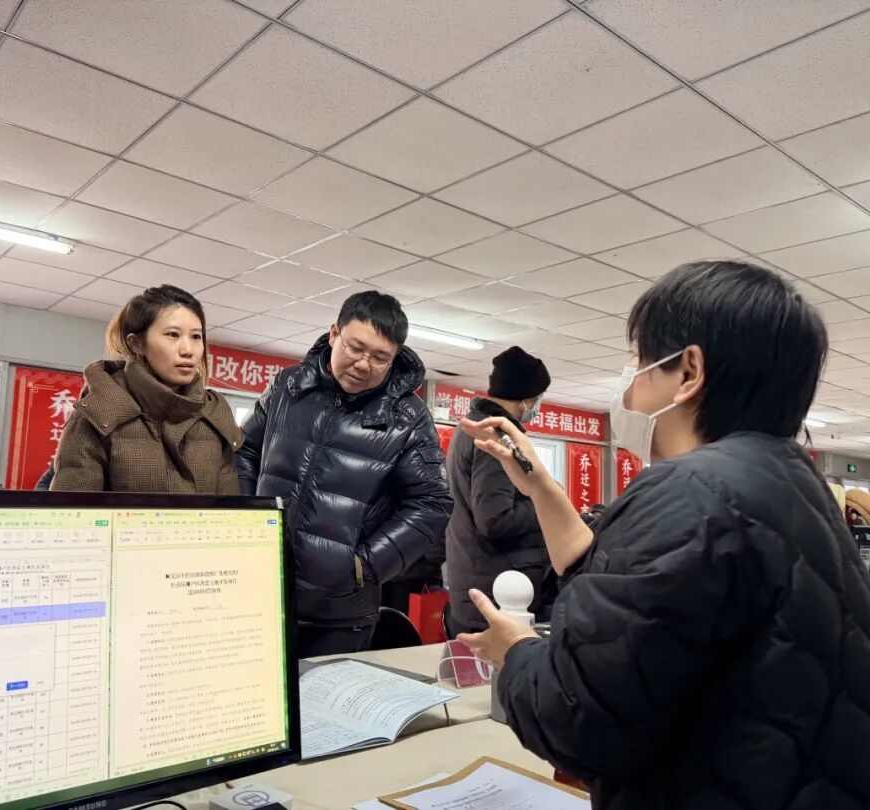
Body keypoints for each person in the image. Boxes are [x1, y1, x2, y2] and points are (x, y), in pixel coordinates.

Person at [456, 262, 870, 809]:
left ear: (688, 371)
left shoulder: (689, 491)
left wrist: (516, 652)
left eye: (638, 362)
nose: (629, 385)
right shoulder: (789, 482)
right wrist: (542, 488)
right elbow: (623, 591)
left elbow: (578, 722)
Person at [237, 291, 453, 657]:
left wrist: (366, 565)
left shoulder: (407, 417)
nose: (363, 364)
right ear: (334, 333)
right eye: (356, 348)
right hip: (264, 588)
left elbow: (432, 503)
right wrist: (248, 520)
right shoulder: (289, 386)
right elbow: (245, 452)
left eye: (380, 357)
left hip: (339, 612)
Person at [51, 285, 242, 493]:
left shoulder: (215, 414)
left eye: (196, 337)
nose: (188, 350)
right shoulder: (99, 412)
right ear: (136, 344)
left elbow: (228, 507)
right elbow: (73, 508)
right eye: (173, 335)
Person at [444, 347, 552, 635]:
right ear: (527, 395)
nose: (538, 404)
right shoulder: (494, 438)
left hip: (479, 581)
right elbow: (495, 518)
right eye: (540, 396)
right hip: (498, 591)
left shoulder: (472, 428)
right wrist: (546, 499)